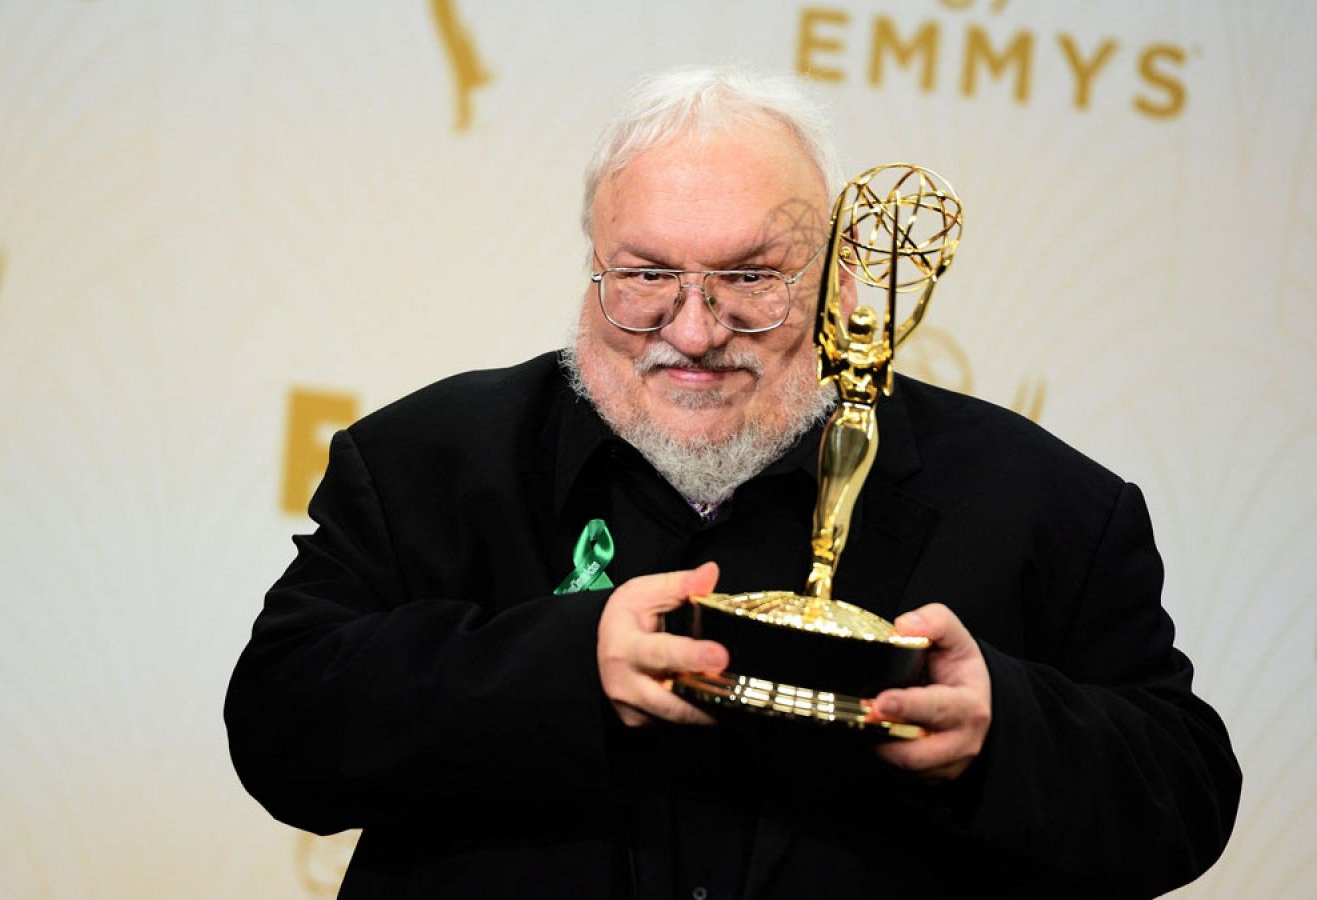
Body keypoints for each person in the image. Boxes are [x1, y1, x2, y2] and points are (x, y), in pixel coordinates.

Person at [225, 66, 1240, 899]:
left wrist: (1002, 731)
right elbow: (280, 729)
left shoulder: (1048, 507)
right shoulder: (424, 462)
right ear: (594, 266)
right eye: (646, 274)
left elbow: (1185, 796)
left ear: (841, 273)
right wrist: (563, 670)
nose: (695, 327)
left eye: (752, 276)